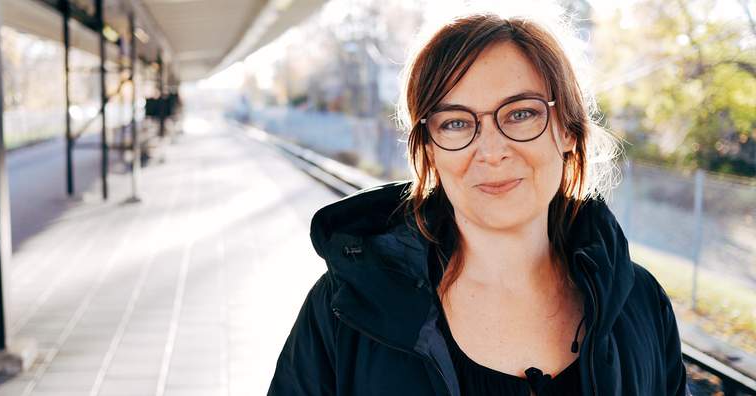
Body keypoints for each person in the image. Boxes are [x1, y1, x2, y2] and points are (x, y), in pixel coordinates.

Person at [268, 13, 689, 396]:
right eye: (455, 122)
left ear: (569, 132)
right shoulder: (345, 313)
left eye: (521, 114)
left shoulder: (641, 302)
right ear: (430, 151)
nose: (490, 150)